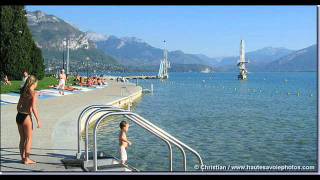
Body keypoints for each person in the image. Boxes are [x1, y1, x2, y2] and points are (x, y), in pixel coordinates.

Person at [16, 75, 42, 165]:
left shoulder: (23, 91)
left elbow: (18, 106)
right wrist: (38, 120)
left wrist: (23, 110)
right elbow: (34, 108)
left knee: (22, 138)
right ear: (34, 83)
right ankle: (27, 159)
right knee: (29, 138)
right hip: (26, 117)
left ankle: (22, 158)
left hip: (19, 115)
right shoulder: (34, 93)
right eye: (36, 83)